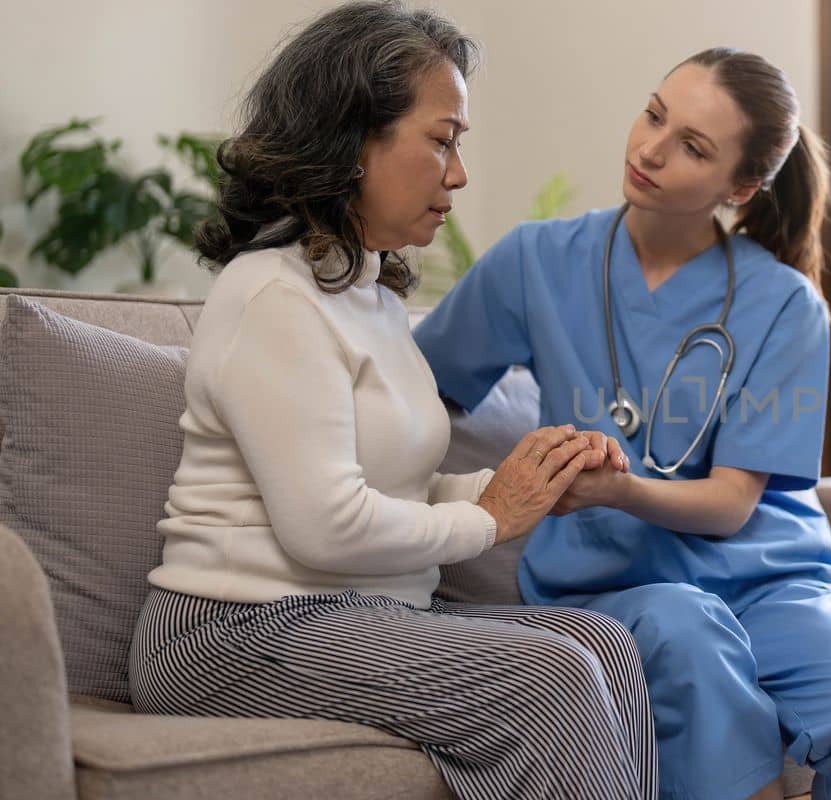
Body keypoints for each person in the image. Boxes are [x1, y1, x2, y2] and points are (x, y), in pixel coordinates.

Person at [127, 4, 656, 798]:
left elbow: (396, 492)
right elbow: (325, 525)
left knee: (604, 645)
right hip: (231, 630)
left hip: (358, 613)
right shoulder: (274, 295)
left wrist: (528, 488)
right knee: (554, 676)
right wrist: (490, 519)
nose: (459, 172)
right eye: (441, 140)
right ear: (351, 140)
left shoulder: (369, 294)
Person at [414, 48, 831, 800]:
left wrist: (618, 490)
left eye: (693, 147)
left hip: (768, 584)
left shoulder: (785, 305)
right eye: (655, 114)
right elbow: (415, 391)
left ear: (741, 187)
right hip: (612, 585)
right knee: (685, 628)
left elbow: (730, 505)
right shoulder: (536, 264)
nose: (650, 149)